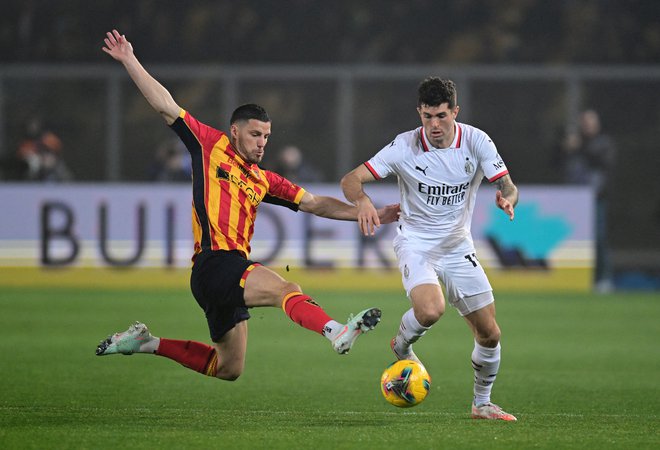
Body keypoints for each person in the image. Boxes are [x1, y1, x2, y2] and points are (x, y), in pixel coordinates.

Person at [95, 29, 400, 382]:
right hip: (214, 264)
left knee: (228, 368)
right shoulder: (209, 145)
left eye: (267, 136)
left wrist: (372, 213)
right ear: (235, 131)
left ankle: (147, 343)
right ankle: (335, 331)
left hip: (227, 271)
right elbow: (164, 104)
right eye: (256, 134)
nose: (262, 143)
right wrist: (129, 59)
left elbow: (317, 204)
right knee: (288, 290)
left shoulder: (264, 179)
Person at [341, 77, 519, 421]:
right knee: (430, 310)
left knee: (490, 333)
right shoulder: (404, 146)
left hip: (457, 246)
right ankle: (401, 346)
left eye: (441, 116)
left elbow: (509, 185)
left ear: (455, 111)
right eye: (427, 117)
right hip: (416, 243)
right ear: (419, 114)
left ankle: (481, 404)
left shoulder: (477, 141)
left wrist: (507, 199)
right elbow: (351, 179)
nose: (434, 125)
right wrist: (362, 201)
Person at [560, 109, 616, 293]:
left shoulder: (603, 142)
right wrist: (567, 147)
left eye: (591, 122)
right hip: (574, 200)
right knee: (574, 240)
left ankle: (604, 279)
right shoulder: (574, 143)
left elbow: (604, 161)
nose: (588, 126)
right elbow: (557, 163)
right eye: (584, 122)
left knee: (599, 238)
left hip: (596, 198)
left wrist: (579, 147)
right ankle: (575, 279)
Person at [16, 116, 72, 182]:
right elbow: (22, 155)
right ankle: (30, 183)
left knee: (61, 169)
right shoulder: (26, 140)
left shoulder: (48, 137)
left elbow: (57, 150)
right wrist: (38, 158)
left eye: (35, 125)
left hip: (51, 160)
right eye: (31, 125)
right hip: (34, 162)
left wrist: (50, 157)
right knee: (34, 162)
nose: (33, 127)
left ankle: (65, 185)